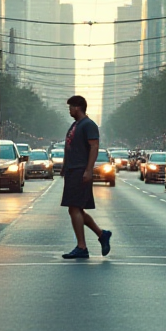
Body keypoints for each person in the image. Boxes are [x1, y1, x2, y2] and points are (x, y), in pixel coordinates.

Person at [60, 95, 112, 259]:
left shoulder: (89, 125)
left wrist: (88, 170)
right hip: (72, 170)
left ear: (77, 107)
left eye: (70, 107)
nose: (69, 110)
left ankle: (82, 247)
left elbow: (94, 147)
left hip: (80, 170)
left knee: (74, 208)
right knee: (76, 208)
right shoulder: (75, 125)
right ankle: (102, 234)